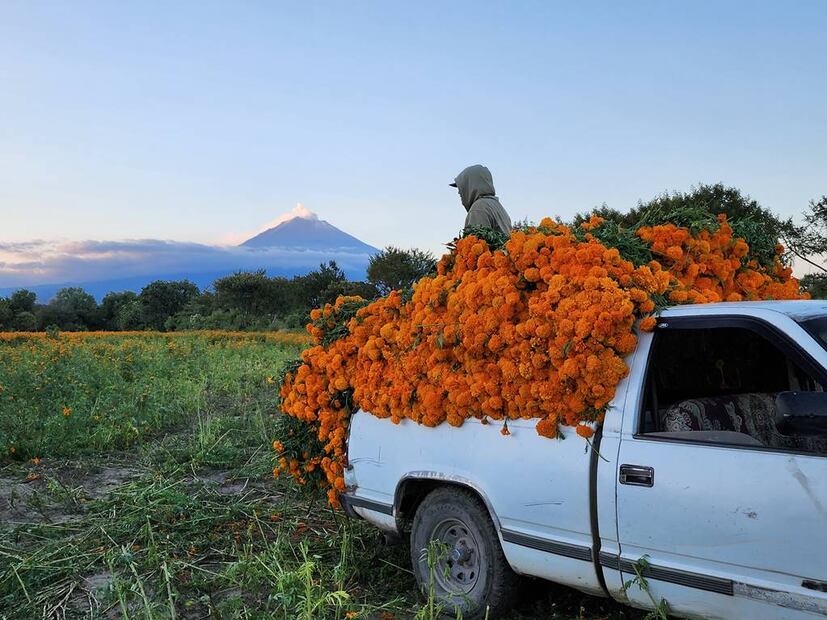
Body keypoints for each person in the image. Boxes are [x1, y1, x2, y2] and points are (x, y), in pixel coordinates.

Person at [450, 164, 512, 235]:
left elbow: (476, 244)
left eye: (461, 187)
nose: (459, 192)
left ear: (471, 185)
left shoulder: (479, 208)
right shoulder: (497, 206)